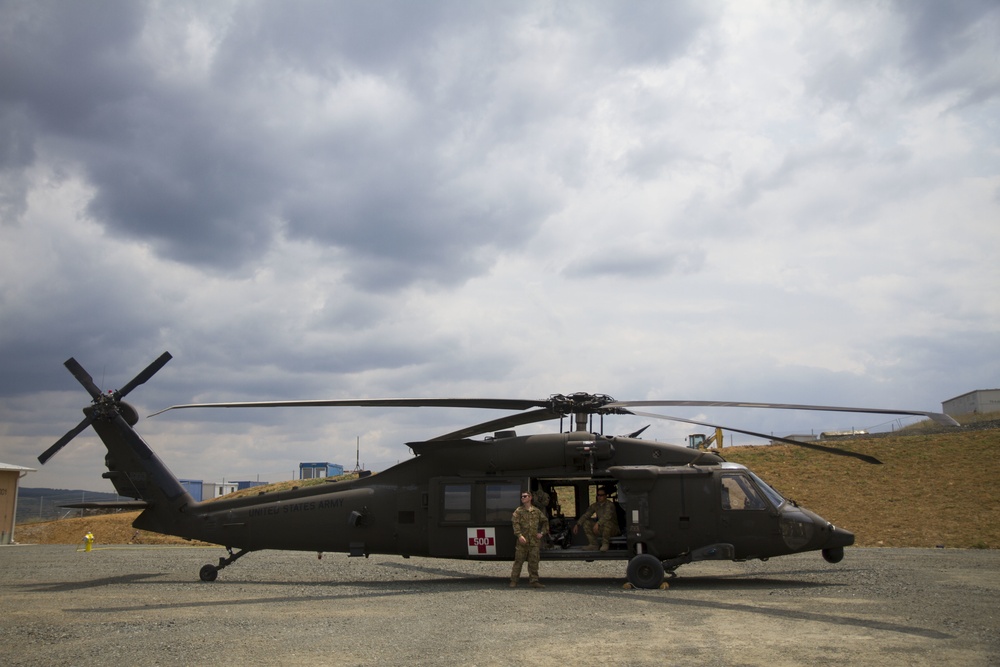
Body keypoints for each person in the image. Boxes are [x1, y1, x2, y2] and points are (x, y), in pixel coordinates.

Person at [510, 491, 549, 588]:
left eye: (525, 496)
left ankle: (534, 581)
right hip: (522, 542)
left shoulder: (536, 511)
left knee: (534, 562)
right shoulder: (518, 511)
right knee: (518, 562)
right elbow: (515, 524)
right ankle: (514, 581)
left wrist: (542, 533)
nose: (522, 498)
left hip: (534, 542)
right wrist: (519, 536)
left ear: (530, 498)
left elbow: (545, 522)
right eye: (522, 497)